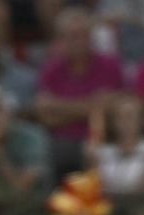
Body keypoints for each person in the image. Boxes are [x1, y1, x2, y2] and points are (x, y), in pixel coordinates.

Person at [34, 5, 125, 172]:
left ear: (91, 37)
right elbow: (46, 116)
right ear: (61, 40)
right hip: (61, 144)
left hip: (105, 140)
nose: (78, 41)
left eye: (82, 35)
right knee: (47, 154)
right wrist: (92, 107)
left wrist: (60, 107)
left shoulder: (110, 65)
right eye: (72, 36)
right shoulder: (51, 69)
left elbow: (117, 110)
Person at [87, 91, 144, 196]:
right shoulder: (99, 151)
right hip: (107, 205)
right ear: (112, 121)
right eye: (120, 117)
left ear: (143, 120)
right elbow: (95, 187)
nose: (126, 122)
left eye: (131, 116)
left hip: (140, 203)